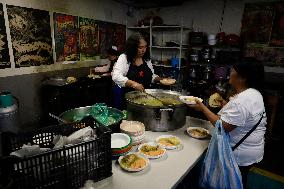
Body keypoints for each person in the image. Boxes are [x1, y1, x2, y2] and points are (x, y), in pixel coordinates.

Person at [189, 57, 267, 188]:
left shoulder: (242, 101)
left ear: (242, 78)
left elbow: (223, 126)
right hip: (252, 149)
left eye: (233, 70)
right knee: (240, 179)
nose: (229, 73)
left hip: (240, 153)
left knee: (233, 181)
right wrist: (226, 105)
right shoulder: (254, 93)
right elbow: (243, 116)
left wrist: (202, 107)